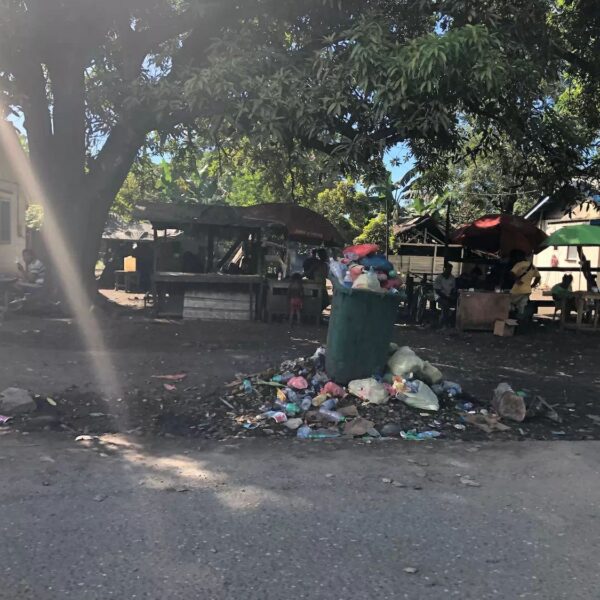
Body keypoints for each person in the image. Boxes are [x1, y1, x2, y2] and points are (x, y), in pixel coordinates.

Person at [509, 252, 541, 317]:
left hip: (517, 289)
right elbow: (538, 277)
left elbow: (511, 273)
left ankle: (511, 317)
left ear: (519, 257)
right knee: (522, 306)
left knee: (508, 301)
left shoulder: (519, 264)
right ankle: (520, 320)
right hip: (527, 290)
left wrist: (517, 280)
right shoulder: (532, 266)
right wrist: (533, 285)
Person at [434, 262, 456, 327]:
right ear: (444, 269)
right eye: (448, 269)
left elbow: (453, 288)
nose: (449, 271)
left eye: (450, 269)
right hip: (439, 296)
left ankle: (451, 320)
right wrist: (447, 298)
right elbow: (437, 291)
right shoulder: (439, 278)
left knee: (458, 304)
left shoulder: (452, 278)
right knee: (446, 305)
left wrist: (452, 295)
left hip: (448, 296)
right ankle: (444, 323)